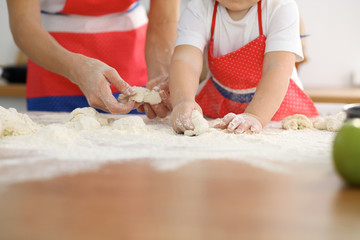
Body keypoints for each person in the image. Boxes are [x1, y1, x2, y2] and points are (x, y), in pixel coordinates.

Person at [6, 0, 179, 117]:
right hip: (54, 70)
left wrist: (159, 80)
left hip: (131, 69)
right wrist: (76, 69)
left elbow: (164, 20)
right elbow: (23, 22)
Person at [169, 0, 319, 134]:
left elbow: (277, 67)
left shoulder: (281, 8)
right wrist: (183, 100)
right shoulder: (198, 8)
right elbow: (186, 60)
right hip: (220, 104)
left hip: (277, 109)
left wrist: (255, 116)